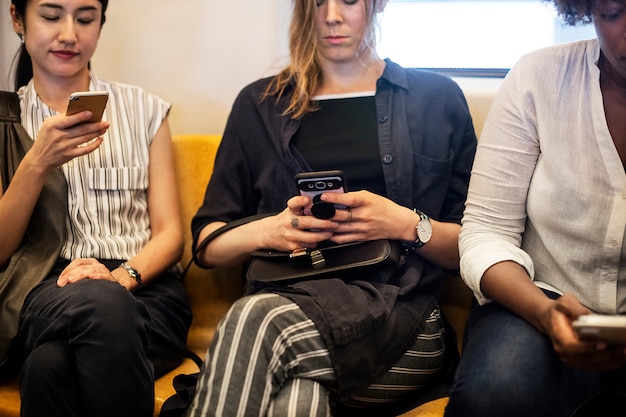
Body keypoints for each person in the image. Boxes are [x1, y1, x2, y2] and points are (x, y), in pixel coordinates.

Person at [188, 0, 477, 415]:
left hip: (402, 322)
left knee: (256, 320)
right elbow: (206, 245)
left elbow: (477, 247)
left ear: (375, 5)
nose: (331, 16)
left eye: (348, 1)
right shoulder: (259, 104)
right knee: (294, 399)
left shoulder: (436, 98)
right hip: (287, 309)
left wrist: (403, 223)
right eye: (317, 2)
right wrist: (269, 231)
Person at [2, 1, 192, 416]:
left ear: (100, 23)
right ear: (18, 18)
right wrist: (37, 162)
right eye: (51, 16)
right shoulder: (4, 121)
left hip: (145, 288)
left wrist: (119, 278)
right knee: (101, 306)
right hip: (46, 290)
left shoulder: (144, 109)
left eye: (85, 18)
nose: (69, 33)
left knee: (47, 368)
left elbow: (170, 235)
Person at [444, 1, 626, 416]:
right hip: (539, 300)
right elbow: (485, 232)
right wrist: (545, 313)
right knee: (494, 394)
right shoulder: (537, 78)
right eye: (614, 11)